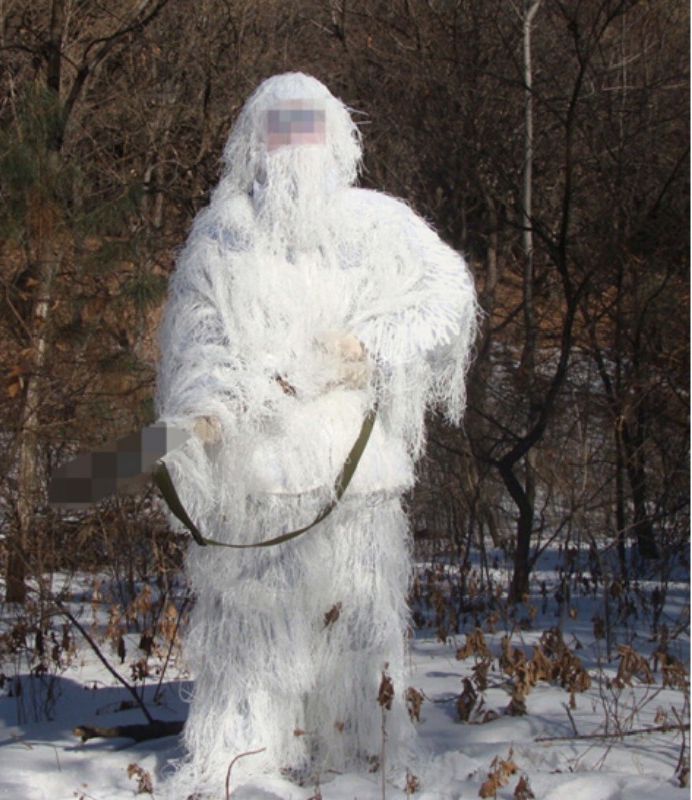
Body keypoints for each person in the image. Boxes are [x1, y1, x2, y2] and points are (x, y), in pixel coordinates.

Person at [156, 72, 477, 794]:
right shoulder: (222, 236)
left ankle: (360, 761)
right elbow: (201, 337)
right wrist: (204, 409)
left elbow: (448, 296)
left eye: (308, 129)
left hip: (357, 489)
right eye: (280, 129)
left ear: (335, 139)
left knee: (358, 643)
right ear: (253, 141)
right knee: (249, 649)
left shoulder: (376, 227)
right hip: (258, 489)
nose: (294, 146)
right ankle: (244, 770)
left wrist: (369, 345)